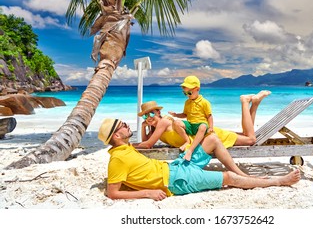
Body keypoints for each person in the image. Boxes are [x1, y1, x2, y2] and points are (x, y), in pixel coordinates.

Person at [98, 118, 301, 200]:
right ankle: (278, 181)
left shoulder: (127, 148)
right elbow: (112, 192)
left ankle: (241, 173)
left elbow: (145, 146)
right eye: (122, 125)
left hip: (176, 166)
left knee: (212, 138)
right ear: (116, 136)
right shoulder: (117, 159)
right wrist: (148, 192)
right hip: (177, 181)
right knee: (228, 178)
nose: (126, 125)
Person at [136, 90, 271, 150]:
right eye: (145, 116)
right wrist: (143, 127)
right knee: (248, 135)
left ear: (158, 112)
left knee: (251, 139)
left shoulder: (164, 122)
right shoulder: (155, 127)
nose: (148, 118)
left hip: (207, 137)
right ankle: (255, 103)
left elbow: (147, 145)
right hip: (203, 138)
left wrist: (128, 146)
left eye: (151, 114)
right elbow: (147, 143)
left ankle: (244, 101)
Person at [168, 75, 213, 161]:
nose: (187, 95)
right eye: (185, 93)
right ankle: (187, 141)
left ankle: (191, 150)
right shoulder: (187, 102)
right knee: (176, 122)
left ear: (197, 89)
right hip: (190, 125)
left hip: (200, 124)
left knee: (203, 127)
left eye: (189, 93)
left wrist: (210, 127)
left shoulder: (204, 102)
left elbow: (209, 116)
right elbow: (185, 114)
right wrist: (176, 115)